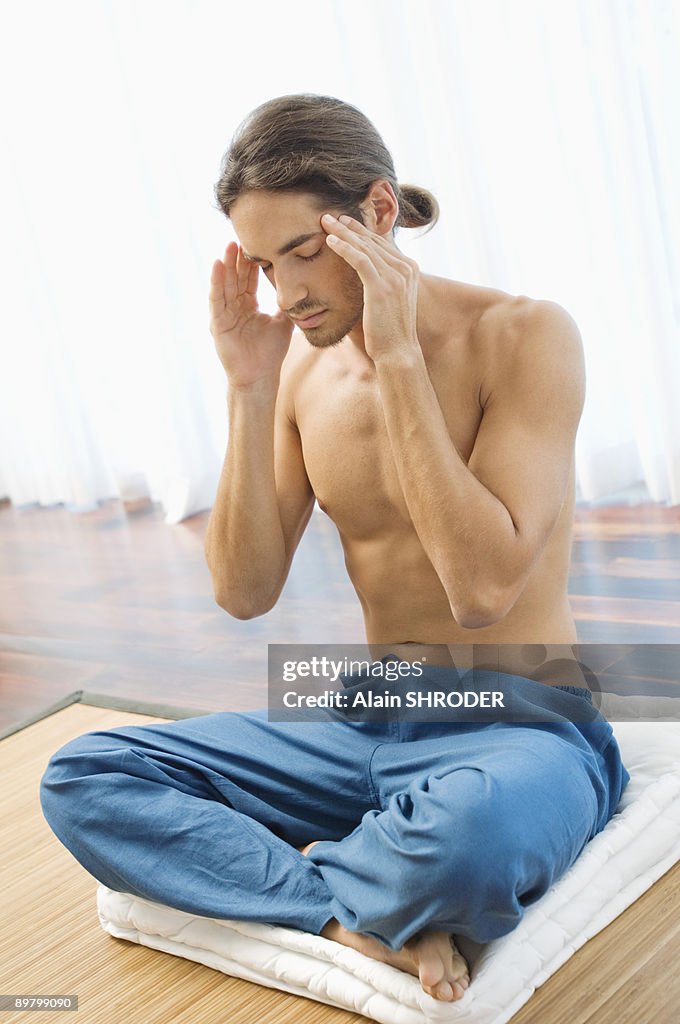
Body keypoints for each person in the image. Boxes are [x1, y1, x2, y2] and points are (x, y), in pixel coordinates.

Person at [40, 95, 629, 1005]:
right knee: (87, 774)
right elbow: (244, 591)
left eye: (304, 254)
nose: (287, 295)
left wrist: (396, 359)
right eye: (267, 265)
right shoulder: (299, 369)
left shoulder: (525, 334)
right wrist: (248, 386)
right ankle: (341, 905)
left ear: (378, 215)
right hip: (364, 715)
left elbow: (481, 589)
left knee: (470, 844)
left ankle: (351, 863)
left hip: (519, 719)